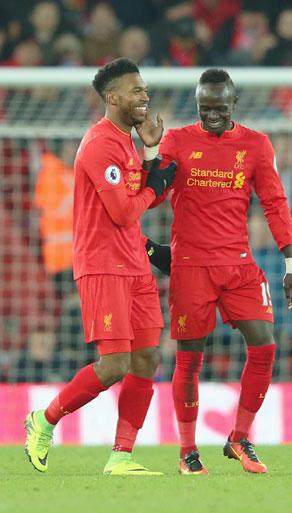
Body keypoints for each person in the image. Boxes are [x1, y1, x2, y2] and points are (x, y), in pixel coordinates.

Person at [24, 57, 176, 476]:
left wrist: (151, 154)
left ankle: (122, 456)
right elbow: (125, 211)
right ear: (112, 98)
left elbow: (142, 196)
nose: (144, 95)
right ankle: (44, 419)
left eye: (145, 88)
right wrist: (156, 183)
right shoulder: (99, 144)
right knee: (115, 365)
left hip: (133, 263)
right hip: (102, 266)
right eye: (135, 90)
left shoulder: (125, 142)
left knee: (147, 358)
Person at [148, 68, 292, 475]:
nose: (211, 116)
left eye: (218, 108)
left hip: (238, 264)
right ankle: (187, 451)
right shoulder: (177, 140)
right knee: (189, 359)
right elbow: (154, 195)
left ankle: (239, 437)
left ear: (234, 104)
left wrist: (291, 264)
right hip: (191, 267)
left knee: (265, 345)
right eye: (204, 108)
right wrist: (150, 155)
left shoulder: (255, 144)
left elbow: (275, 202)